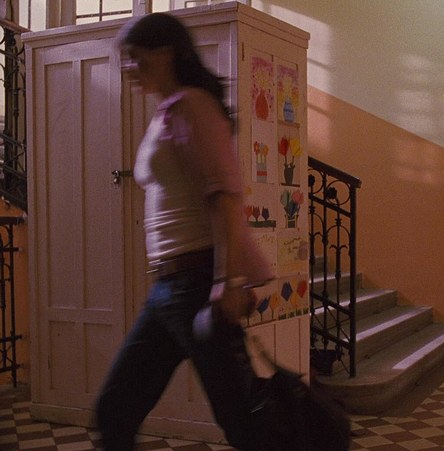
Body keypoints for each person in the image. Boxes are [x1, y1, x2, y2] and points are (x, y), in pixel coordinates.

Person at [95, 13, 272, 450]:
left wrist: (227, 281)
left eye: (136, 57)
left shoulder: (193, 105)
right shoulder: (169, 111)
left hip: (196, 283)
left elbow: (224, 196)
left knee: (244, 421)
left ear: (166, 52)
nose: (129, 68)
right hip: (170, 288)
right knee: (115, 410)